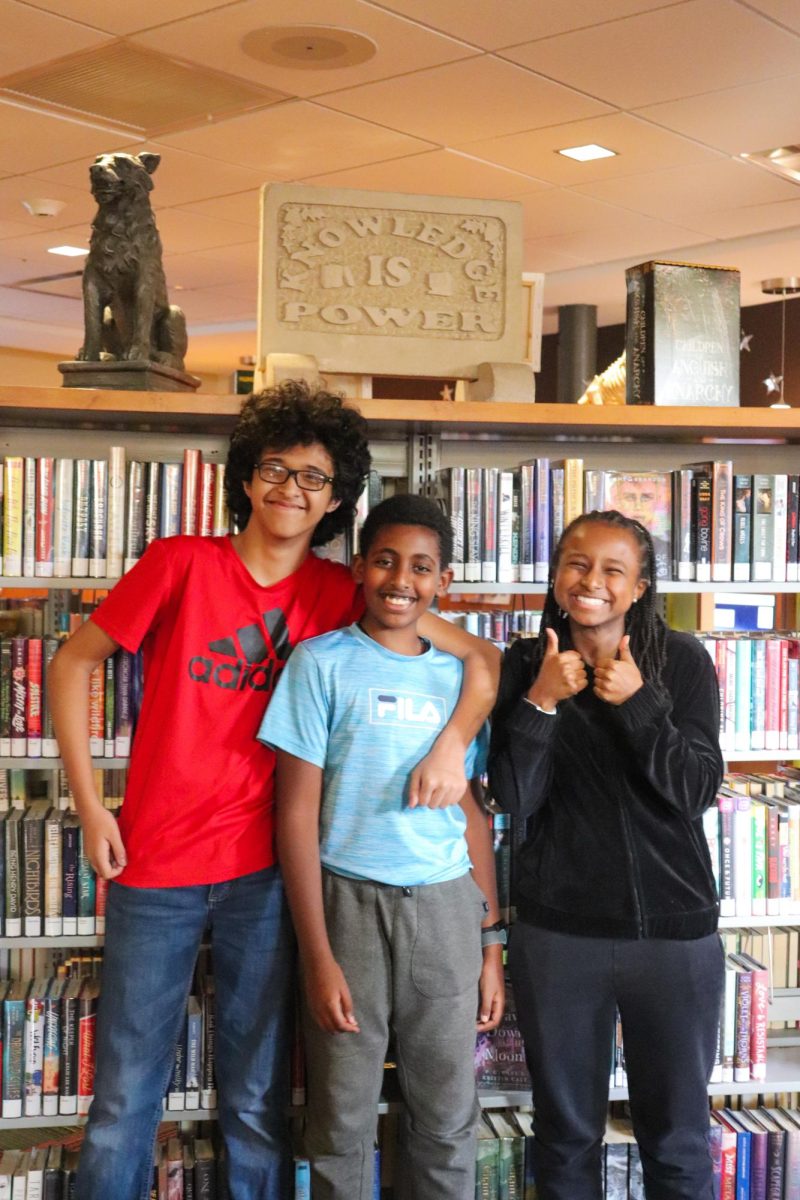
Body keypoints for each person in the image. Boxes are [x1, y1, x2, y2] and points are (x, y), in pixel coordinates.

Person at [47, 381, 499, 1200]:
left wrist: (456, 740)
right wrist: (87, 801)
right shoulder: (180, 563)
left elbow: (480, 660)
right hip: (156, 864)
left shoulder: (344, 591)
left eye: (314, 477)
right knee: (122, 1096)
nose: (291, 489)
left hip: (268, 877)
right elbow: (72, 662)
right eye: (275, 469)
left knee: (256, 1095)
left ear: (336, 498)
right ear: (247, 479)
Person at [260, 494, 506, 1200]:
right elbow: (295, 818)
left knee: (445, 1116)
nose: (403, 579)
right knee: (339, 1118)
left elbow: (474, 818)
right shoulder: (320, 664)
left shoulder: (459, 679)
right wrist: (318, 956)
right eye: (387, 561)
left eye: (422, 567)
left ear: (443, 581)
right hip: (346, 907)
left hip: (445, 910)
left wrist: (491, 944)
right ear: (360, 566)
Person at [488, 509, 724, 1200]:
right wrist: (539, 702)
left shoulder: (679, 662)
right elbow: (511, 796)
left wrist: (641, 703)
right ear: (557, 574)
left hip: (672, 939)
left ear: (640, 587)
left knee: (677, 1137)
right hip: (560, 936)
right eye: (577, 563)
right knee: (564, 1137)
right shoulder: (524, 665)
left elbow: (697, 789)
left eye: (613, 570)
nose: (591, 581)